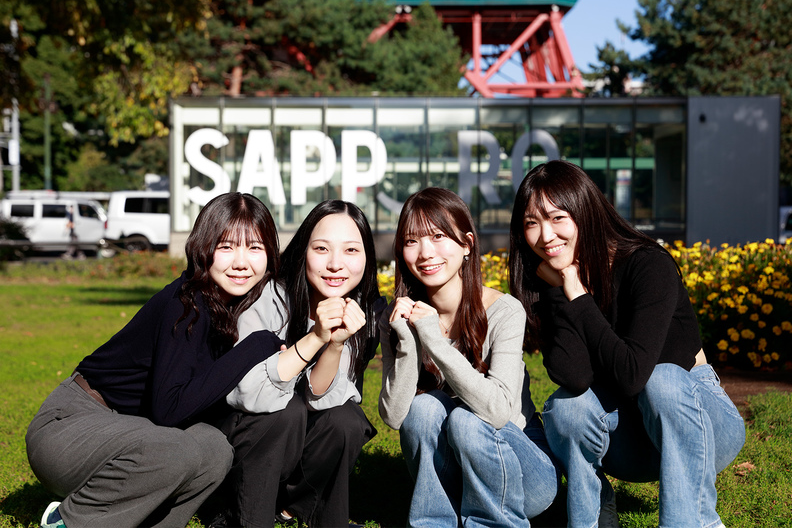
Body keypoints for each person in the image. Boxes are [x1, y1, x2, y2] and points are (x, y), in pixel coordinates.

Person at [26, 192, 287, 528]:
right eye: (226, 247)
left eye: (254, 247)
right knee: (178, 448)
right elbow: (170, 411)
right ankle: (69, 520)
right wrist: (253, 348)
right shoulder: (186, 304)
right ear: (203, 248)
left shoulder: (234, 304)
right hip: (71, 428)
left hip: (130, 434)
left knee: (214, 449)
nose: (241, 261)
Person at [508, 160, 746, 528]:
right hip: (632, 439)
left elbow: (635, 375)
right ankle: (592, 517)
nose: (545, 236)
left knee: (662, 380)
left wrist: (577, 297)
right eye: (531, 223)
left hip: (703, 429)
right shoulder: (553, 283)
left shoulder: (648, 265)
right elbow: (573, 376)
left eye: (557, 218)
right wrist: (561, 293)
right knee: (565, 408)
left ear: (585, 211)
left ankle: (693, 522)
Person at [379, 187, 559, 527]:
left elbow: (495, 411)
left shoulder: (505, 311)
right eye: (411, 241)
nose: (425, 252)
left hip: (522, 472)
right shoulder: (399, 317)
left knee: (467, 418)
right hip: (457, 475)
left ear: (467, 244)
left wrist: (433, 337)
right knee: (424, 407)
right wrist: (407, 341)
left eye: (437, 236)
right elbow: (394, 416)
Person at [221, 200, 384, 527]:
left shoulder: (356, 310)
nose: (336, 264)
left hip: (300, 446)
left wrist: (335, 343)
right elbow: (250, 394)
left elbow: (322, 398)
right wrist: (314, 337)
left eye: (351, 251)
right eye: (322, 248)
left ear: (367, 258)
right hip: (245, 440)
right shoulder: (267, 297)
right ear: (303, 250)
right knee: (287, 410)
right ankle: (243, 514)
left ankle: (297, 507)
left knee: (345, 420)